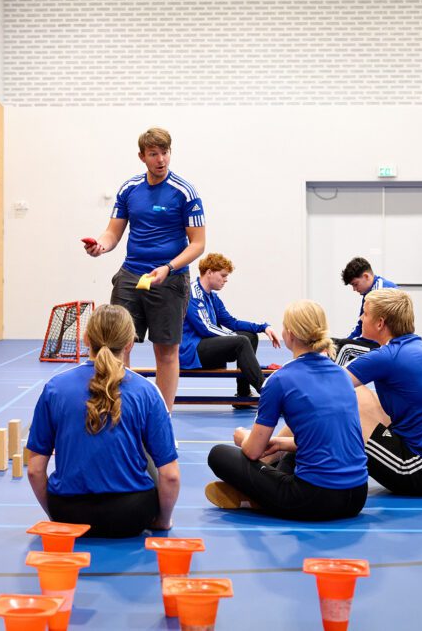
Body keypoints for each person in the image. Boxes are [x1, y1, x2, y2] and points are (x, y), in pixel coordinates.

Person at [204, 300, 368, 521]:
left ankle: (258, 498)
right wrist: (282, 444)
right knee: (290, 455)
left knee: (219, 454)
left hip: (315, 499)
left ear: (289, 334)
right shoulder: (341, 374)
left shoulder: (280, 379)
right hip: (357, 496)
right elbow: (328, 439)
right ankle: (267, 491)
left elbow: (253, 452)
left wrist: (243, 437)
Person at [26, 304, 180, 537]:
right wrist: (163, 520)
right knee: (148, 450)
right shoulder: (147, 391)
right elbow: (170, 475)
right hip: (132, 514)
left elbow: (35, 471)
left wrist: (56, 515)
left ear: (86, 339)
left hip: (69, 513)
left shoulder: (55, 388)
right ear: (129, 344)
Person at [84, 127, 206, 411]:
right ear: (142, 156)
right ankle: (121, 410)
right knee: (116, 345)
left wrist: (168, 267)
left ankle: (162, 415)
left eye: (165, 152)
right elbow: (112, 233)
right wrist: (100, 246)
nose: (160, 159)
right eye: (153, 154)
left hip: (169, 279)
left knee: (166, 351)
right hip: (131, 275)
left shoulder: (185, 192)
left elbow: (198, 244)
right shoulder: (129, 189)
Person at [346, 289, 422, 496]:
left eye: (365, 313)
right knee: (358, 394)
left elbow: (327, 389)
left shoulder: (387, 356)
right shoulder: (416, 347)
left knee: (337, 406)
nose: (360, 318)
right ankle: (286, 453)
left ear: (380, 323)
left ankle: (283, 456)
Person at [180, 252, 281, 398]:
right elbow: (206, 328)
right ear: (209, 272)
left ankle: (243, 393)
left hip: (205, 348)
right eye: (223, 275)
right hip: (191, 353)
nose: (225, 280)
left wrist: (263, 327)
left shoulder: (213, 297)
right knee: (241, 341)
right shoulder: (193, 293)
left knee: (250, 336)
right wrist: (234, 337)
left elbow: (232, 322)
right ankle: (268, 394)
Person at [333, 257, 397, 366]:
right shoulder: (368, 293)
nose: (354, 289)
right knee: (332, 344)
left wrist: (347, 342)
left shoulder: (381, 290)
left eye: (355, 284)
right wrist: (346, 340)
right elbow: (360, 325)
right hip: (373, 342)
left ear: (366, 276)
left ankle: (336, 377)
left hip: (385, 346)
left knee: (345, 347)